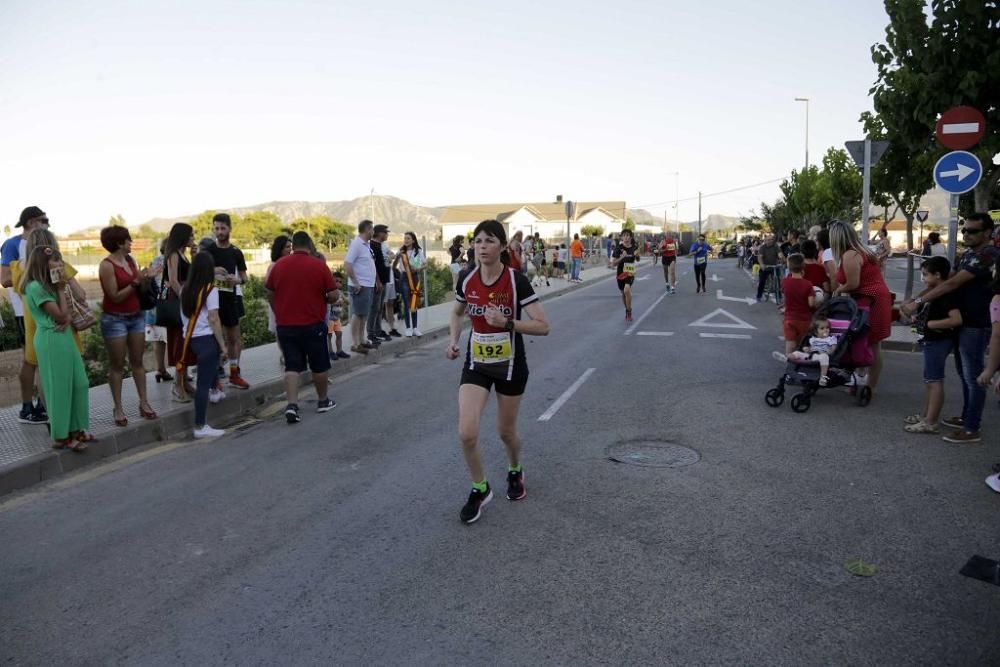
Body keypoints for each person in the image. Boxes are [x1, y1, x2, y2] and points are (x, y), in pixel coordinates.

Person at [447, 220, 550, 523]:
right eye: (477, 241)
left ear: (503, 247)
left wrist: (507, 323)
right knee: (467, 432)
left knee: (505, 432)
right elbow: (455, 313)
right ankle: (480, 488)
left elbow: (543, 326)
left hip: (510, 366)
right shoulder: (467, 279)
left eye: (490, 241)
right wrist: (453, 341)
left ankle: (515, 469)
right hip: (477, 364)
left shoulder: (516, 281)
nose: (482, 246)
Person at [901, 213, 999, 443]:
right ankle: (967, 417)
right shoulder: (968, 256)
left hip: (977, 323)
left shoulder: (989, 254)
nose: (966, 234)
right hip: (965, 323)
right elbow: (946, 282)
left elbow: (954, 283)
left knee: (973, 376)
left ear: (987, 232)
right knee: (965, 375)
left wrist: (918, 302)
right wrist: (916, 299)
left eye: (972, 231)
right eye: (965, 230)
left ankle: (971, 428)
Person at [20, 246, 92, 450]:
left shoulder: (52, 286)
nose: (60, 265)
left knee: (80, 383)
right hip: (51, 338)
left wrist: (63, 295)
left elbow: (69, 311)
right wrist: (61, 291)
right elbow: (61, 316)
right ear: (43, 264)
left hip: (64, 336)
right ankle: (62, 436)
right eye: (55, 261)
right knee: (59, 388)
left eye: (60, 260)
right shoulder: (36, 287)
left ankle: (77, 429)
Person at [266, 231, 339, 424]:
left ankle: (292, 405)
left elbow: (269, 292)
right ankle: (323, 401)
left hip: (286, 326)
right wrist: (324, 298)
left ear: (294, 245)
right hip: (313, 324)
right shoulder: (318, 266)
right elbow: (334, 295)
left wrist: (278, 312)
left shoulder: (279, 265)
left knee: (292, 365)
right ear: (309, 245)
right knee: (319, 364)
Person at [98, 225, 155, 426]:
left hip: (136, 316)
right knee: (117, 365)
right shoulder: (106, 265)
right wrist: (136, 282)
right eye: (128, 240)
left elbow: (139, 286)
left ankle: (144, 402)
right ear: (119, 243)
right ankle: (118, 408)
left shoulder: (130, 260)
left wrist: (147, 278)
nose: (131, 242)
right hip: (115, 319)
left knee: (138, 362)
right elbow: (114, 296)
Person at [1, 207, 53, 424]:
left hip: (48, 306)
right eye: (44, 220)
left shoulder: (46, 243)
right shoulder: (13, 245)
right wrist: (34, 276)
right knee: (31, 360)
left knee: (44, 359)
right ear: (31, 222)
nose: (48, 224)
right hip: (26, 311)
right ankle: (26, 407)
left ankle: (43, 404)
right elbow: (4, 279)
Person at [830, 220, 893, 394]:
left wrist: (838, 290)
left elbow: (852, 283)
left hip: (870, 300)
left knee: (870, 343)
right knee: (870, 343)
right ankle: (863, 382)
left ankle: (869, 387)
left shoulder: (850, 255)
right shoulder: (862, 251)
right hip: (875, 298)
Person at [903, 256, 962, 434]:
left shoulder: (945, 296)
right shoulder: (935, 292)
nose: (923, 279)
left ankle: (931, 421)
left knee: (934, 381)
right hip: (931, 340)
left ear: (937, 275)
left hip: (937, 341)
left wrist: (930, 325)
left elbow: (956, 319)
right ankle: (925, 415)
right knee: (930, 380)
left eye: (925, 275)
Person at [177, 252, 228, 438]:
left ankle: (216, 392)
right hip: (206, 339)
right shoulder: (210, 290)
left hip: (189, 339)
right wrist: (223, 345)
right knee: (202, 385)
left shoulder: (184, 289)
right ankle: (200, 426)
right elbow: (214, 319)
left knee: (207, 371)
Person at [206, 213, 250, 390]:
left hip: (230, 299)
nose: (219, 232)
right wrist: (214, 270)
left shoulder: (236, 252)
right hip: (210, 301)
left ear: (230, 229)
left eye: (223, 228)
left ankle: (234, 374)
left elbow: (245, 277)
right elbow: (198, 272)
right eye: (216, 228)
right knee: (212, 339)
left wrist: (237, 280)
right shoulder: (208, 250)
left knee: (233, 338)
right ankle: (214, 376)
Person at [162, 223, 196, 401]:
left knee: (187, 342)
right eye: (191, 236)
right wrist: (186, 298)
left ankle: (183, 381)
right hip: (179, 302)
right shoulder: (174, 254)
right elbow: (174, 281)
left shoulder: (184, 254)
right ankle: (177, 386)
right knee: (179, 343)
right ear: (183, 237)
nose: (193, 239)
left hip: (184, 300)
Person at [772, 317, 838, 386]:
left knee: (824, 357)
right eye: (822, 328)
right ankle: (786, 358)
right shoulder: (813, 339)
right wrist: (806, 349)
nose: (826, 330)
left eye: (827, 328)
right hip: (810, 355)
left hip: (821, 356)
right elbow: (809, 348)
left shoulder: (831, 339)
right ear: (816, 331)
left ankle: (823, 377)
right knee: (797, 353)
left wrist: (827, 351)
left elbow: (833, 350)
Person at [344, 220, 377, 355]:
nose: (373, 232)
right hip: (360, 286)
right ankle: (355, 343)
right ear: (367, 230)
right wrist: (356, 282)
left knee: (364, 314)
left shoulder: (365, 245)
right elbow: (347, 264)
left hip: (367, 284)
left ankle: (362, 340)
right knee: (357, 314)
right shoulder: (357, 244)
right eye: (372, 229)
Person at [779, 254, 817, 355]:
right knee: (801, 345)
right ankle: (799, 365)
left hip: (790, 318)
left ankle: (789, 361)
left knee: (790, 345)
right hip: (805, 320)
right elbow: (811, 304)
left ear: (789, 267)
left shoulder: (784, 282)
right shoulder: (808, 284)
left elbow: (786, 298)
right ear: (803, 267)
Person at [145, 239, 171, 383]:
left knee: (157, 339)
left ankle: (160, 369)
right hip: (167, 303)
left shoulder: (155, 260)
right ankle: (180, 372)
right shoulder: (171, 261)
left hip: (153, 305)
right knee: (172, 337)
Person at [393, 231, 425, 337]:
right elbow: (394, 266)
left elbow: (425, 264)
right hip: (404, 278)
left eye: (408, 238)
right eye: (405, 238)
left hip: (415, 278)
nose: (406, 240)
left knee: (414, 303)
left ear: (413, 240)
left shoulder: (418, 251)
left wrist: (418, 268)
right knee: (407, 303)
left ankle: (415, 327)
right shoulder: (401, 251)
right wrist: (397, 257)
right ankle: (408, 328)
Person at [366, 224, 391, 347]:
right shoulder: (372, 246)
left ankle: (378, 330)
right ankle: (371, 334)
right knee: (374, 308)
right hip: (377, 282)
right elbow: (373, 266)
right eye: (385, 232)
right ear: (379, 233)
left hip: (384, 281)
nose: (387, 234)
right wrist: (378, 281)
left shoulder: (381, 246)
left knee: (380, 308)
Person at [611, 229, 639, 321]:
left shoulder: (634, 247)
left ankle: (629, 311)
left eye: (628, 235)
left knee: (627, 290)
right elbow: (613, 264)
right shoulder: (618, 248)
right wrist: (622, 257)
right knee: (623, 293)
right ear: (622, 237)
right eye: (624, 235)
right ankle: (627, 309)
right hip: (620, 273)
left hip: (630, 272)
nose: (626, 237)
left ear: (630, 237)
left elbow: (637, 259)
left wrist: (637, 255)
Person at [328, 270, 350, 360]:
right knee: (329, 335)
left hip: (337, 318)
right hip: (330, 318)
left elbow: (347, 301)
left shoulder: (340, 293)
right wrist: (335, 303)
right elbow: (328, 303)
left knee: (339, 334)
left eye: (340, 282)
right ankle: (330, 352)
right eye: (336, 281)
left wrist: (346, 300)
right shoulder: (330, 292)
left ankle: (339, 350)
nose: (338, 283)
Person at [756, 234, 781, 302]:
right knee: (762, 282)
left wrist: (782, 259)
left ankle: (779, 296)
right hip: (765, 267)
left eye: (772, 239)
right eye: (769, 240)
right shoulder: (762, 247)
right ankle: (759, 296)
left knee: (778, 281)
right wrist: (761, 264)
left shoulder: (776, 246)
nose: (771, 241)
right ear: (765, 240)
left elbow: (780, 254)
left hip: (774, 267)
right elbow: (760, 257)